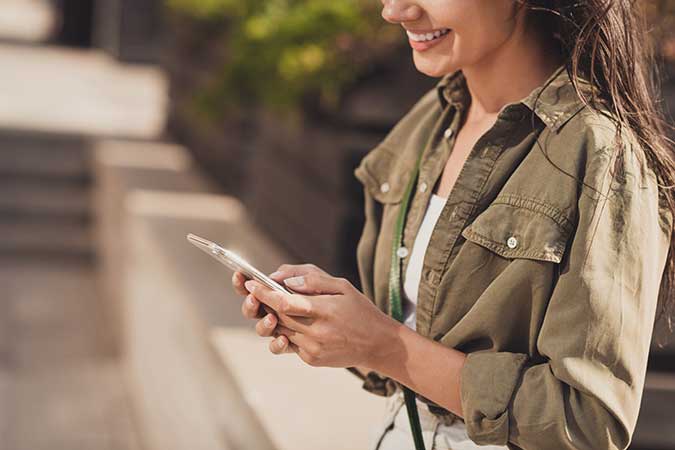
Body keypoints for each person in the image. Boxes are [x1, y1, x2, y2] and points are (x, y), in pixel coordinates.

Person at [231, 0, 675, 449]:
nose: (396, 11)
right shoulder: (431, 118)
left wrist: (384, 345)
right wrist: (331, 327)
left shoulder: (604, 157)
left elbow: (587, 421)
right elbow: (410, 343)